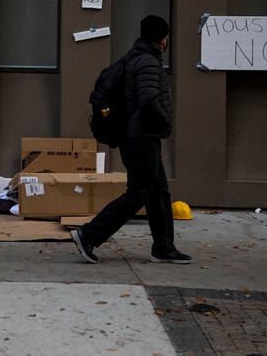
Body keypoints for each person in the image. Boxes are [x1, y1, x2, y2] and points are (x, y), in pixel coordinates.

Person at [71, 14, 191, 265]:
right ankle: (88, 234)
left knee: (158, 192)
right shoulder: (147, 62)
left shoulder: (135, 57)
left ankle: (163, 247)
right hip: (141, 138)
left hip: (140, 137)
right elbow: (148, 101)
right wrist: (166, 123)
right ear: (162, 39)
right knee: (138, 193)